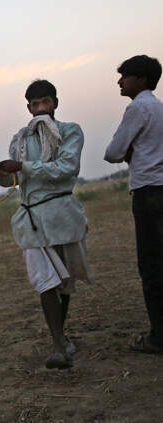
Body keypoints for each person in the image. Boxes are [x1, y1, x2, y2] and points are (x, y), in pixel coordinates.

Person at [0, 79, 93, 369]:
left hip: (62, 216)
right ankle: (59, 344)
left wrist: (22, 166)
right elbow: (11, 179)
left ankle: (60, 335)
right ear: (28, 108)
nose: (40, 109)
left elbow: (66, 169)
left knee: (63, 283)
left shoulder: (70, 131)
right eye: (35, 105)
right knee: (45, 281)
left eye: (45, 102)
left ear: (55, 104)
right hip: (32, 219)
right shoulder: (20, 139)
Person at [104, 55, 163, 354]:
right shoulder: (160, 108)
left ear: (140, 79)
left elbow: (113, 153)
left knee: (152, 265)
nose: (120, 81)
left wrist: (129, 151)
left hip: (148, 192)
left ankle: (158, 337)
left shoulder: (137, 107)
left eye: (124, 76)